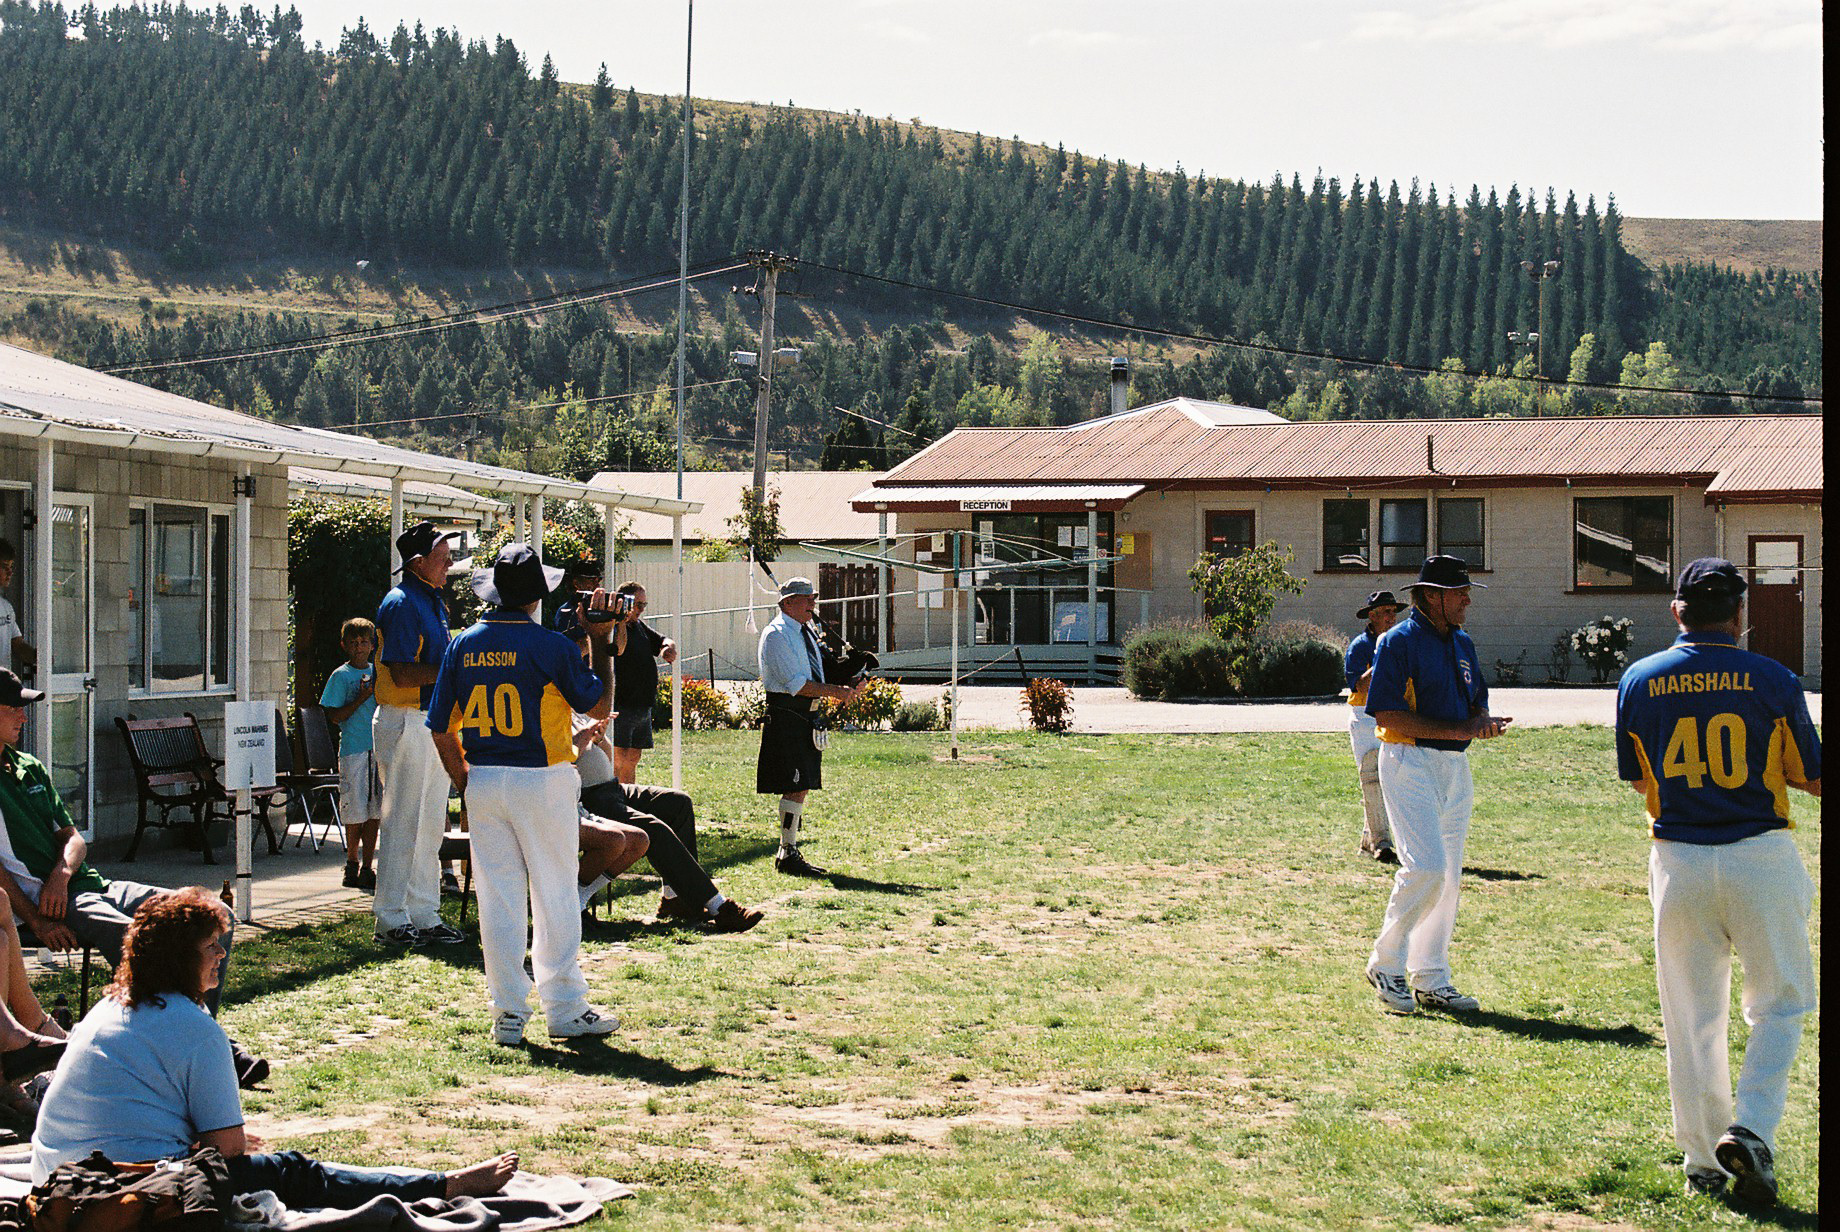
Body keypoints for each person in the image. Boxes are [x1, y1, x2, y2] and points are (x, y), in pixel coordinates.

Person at [29, 886, 518, 1203]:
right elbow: (228, 1151)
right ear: (180, 959)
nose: (221, 955)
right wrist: (216, 1145)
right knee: (294, 1172)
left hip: (54, 1178)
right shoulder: (196, 1029)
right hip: (135, 1186)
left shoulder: (110, 1006)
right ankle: (443, 1185)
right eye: (210, 946)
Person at [1614, 558, 1820, 1203]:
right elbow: (1809, 775)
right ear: (1740, 613)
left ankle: (1703, 1159)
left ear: (1677, 611)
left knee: (1691, 1015)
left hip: (1678, 858)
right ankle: (1751, 1128)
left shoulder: (1639, 679)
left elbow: (1640, 780)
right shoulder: (1773, 678)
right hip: (1760, 853)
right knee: (1781, 1004)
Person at [0, 668, 267, 1086]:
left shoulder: (28, 766)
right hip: (54, 904)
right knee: (140, 938)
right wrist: (37, 919)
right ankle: (216, 1050)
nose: (24, 716)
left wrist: (62, 871)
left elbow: (72, 837)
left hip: (88, 885)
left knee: (214, 915)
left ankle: (201, 1039)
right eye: (14, 708)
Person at [427, 544, 620, 1045]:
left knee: (498, 900)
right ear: (538, 595)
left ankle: (508, 1011)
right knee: (555, 893)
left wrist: (465, 780)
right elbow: (598, 704)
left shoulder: (462, 643)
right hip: (542, 777)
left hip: (485, 778)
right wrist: (601, 640)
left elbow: (441, 726)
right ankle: (565, 1007)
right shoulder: (551, 645)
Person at [1362, 556, 1511, 1016]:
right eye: (1458, 592)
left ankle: (1431, 977)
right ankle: (1386, 962)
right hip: (1408, 760)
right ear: (1430, 596)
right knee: (1425, 866)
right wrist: (1459, 730)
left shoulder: (1462, 642)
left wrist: (1483, 723)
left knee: (1447, 876)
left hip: (1454, 766)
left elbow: (1476, 700)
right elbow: (1387, 713)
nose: (1467, 600)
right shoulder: (1398, 641)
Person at [556, 614, 763, 932]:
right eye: (577, 658)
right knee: (655, 828)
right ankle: (718, 906)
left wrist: (599, 736)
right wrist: (587, 739)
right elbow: (562, 756)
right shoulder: (549, 700)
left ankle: (674, 898)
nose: (581, 666)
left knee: (677, 802)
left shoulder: (575, 699)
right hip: (588, 797)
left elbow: (601, 749)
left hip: (609, 788)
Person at [372, 521, 464, 948]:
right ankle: (391, 917)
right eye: (442, 558)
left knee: (429, 824)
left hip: (429, 721)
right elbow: (402, 673)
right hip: (405, 719)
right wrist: (455, 667)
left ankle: (424, 913)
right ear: (417, 562)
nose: (449, 564)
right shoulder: (401, 602)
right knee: (403, 821)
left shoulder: (429, 599)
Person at [757, 578, 862, 877]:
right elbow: (797, 684)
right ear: (787, 602)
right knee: (795, 784)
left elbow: (821, 672)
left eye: (813, 598)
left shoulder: (806, 632)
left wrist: (851, 679)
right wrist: (837, 692)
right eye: (806, 598)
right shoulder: (777, 635)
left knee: (801, 785)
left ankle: (787, 850)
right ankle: (787, 851)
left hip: (807, 716)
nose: (812, 604)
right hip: (788, 714)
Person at [319, 617, 381, 891]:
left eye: (364, 642)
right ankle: (352, 861)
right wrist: (361, 698)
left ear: (372, 645)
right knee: (354, 810)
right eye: (353, 643)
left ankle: (368, 866)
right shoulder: (341, 676)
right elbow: (335, 716)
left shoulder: (378, 673)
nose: (359, 647)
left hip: (377, 749)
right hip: (353, 750)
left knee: (374, 810)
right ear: (344, 645)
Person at [1344, 590, 1402, 864]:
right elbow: (1360, 685)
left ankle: (1371, 840)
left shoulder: (1398, 643)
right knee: (1371, 776)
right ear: (1373, 616)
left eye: (1394, 612)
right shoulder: (1360, 646)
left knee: (1392, 778)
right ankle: (1382, 844)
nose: (1392, 617)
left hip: (1394, 714)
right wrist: (1382, 658)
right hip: (1366, 717)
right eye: (1386, 612)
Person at [603, 582, 677, 785]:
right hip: (621, 704)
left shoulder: (638, 626)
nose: (641, 609)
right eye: (638, 605)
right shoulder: (612, 627)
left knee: (633, 758)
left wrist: (667, 648)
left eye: (644, 605)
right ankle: (616, 798)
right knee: (618, 758)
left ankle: (630, 796)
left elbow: (663, 640)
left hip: (642, 705)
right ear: (624, 602)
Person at [0, 539, 37, 680]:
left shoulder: (6, 607)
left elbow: (18, 645)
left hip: (4, 687)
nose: (10, 572)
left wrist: (36, 656)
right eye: (4, 567)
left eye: (11, 567)